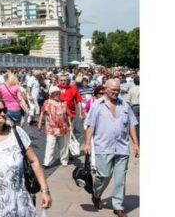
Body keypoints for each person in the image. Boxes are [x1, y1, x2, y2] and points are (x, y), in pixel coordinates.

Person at [0, 97, 51, 216]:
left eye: (4, 110)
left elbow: (34, 161)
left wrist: (45, 191)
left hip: (15, 203)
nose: (2, 113)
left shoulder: (17, 133)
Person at [83, 78, 139, 217]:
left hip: (122, 147)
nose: (116, 92)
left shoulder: (125, 105)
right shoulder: (97, 105)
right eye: (113, 90)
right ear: (106, 89)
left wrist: (136, 144)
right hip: (104, 146)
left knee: (120, 179)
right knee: (104, 175)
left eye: (118, 90)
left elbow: (131, 124)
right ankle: (96, 194)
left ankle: (118, 206)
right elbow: (91, 125)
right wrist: (87, 143)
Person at [38, 86, 71, 167]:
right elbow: (42, 113)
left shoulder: (63, 103)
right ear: (51, 94)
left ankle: (64, 160)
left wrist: (70, 125)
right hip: (51, 128)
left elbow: (67, 114)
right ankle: (47, 162)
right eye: (55, 93)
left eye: (58, 93)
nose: (57, 95)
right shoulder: (47, 102)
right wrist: (39, 123)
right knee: (50, 144)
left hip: (62, 127)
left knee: (63, 145)